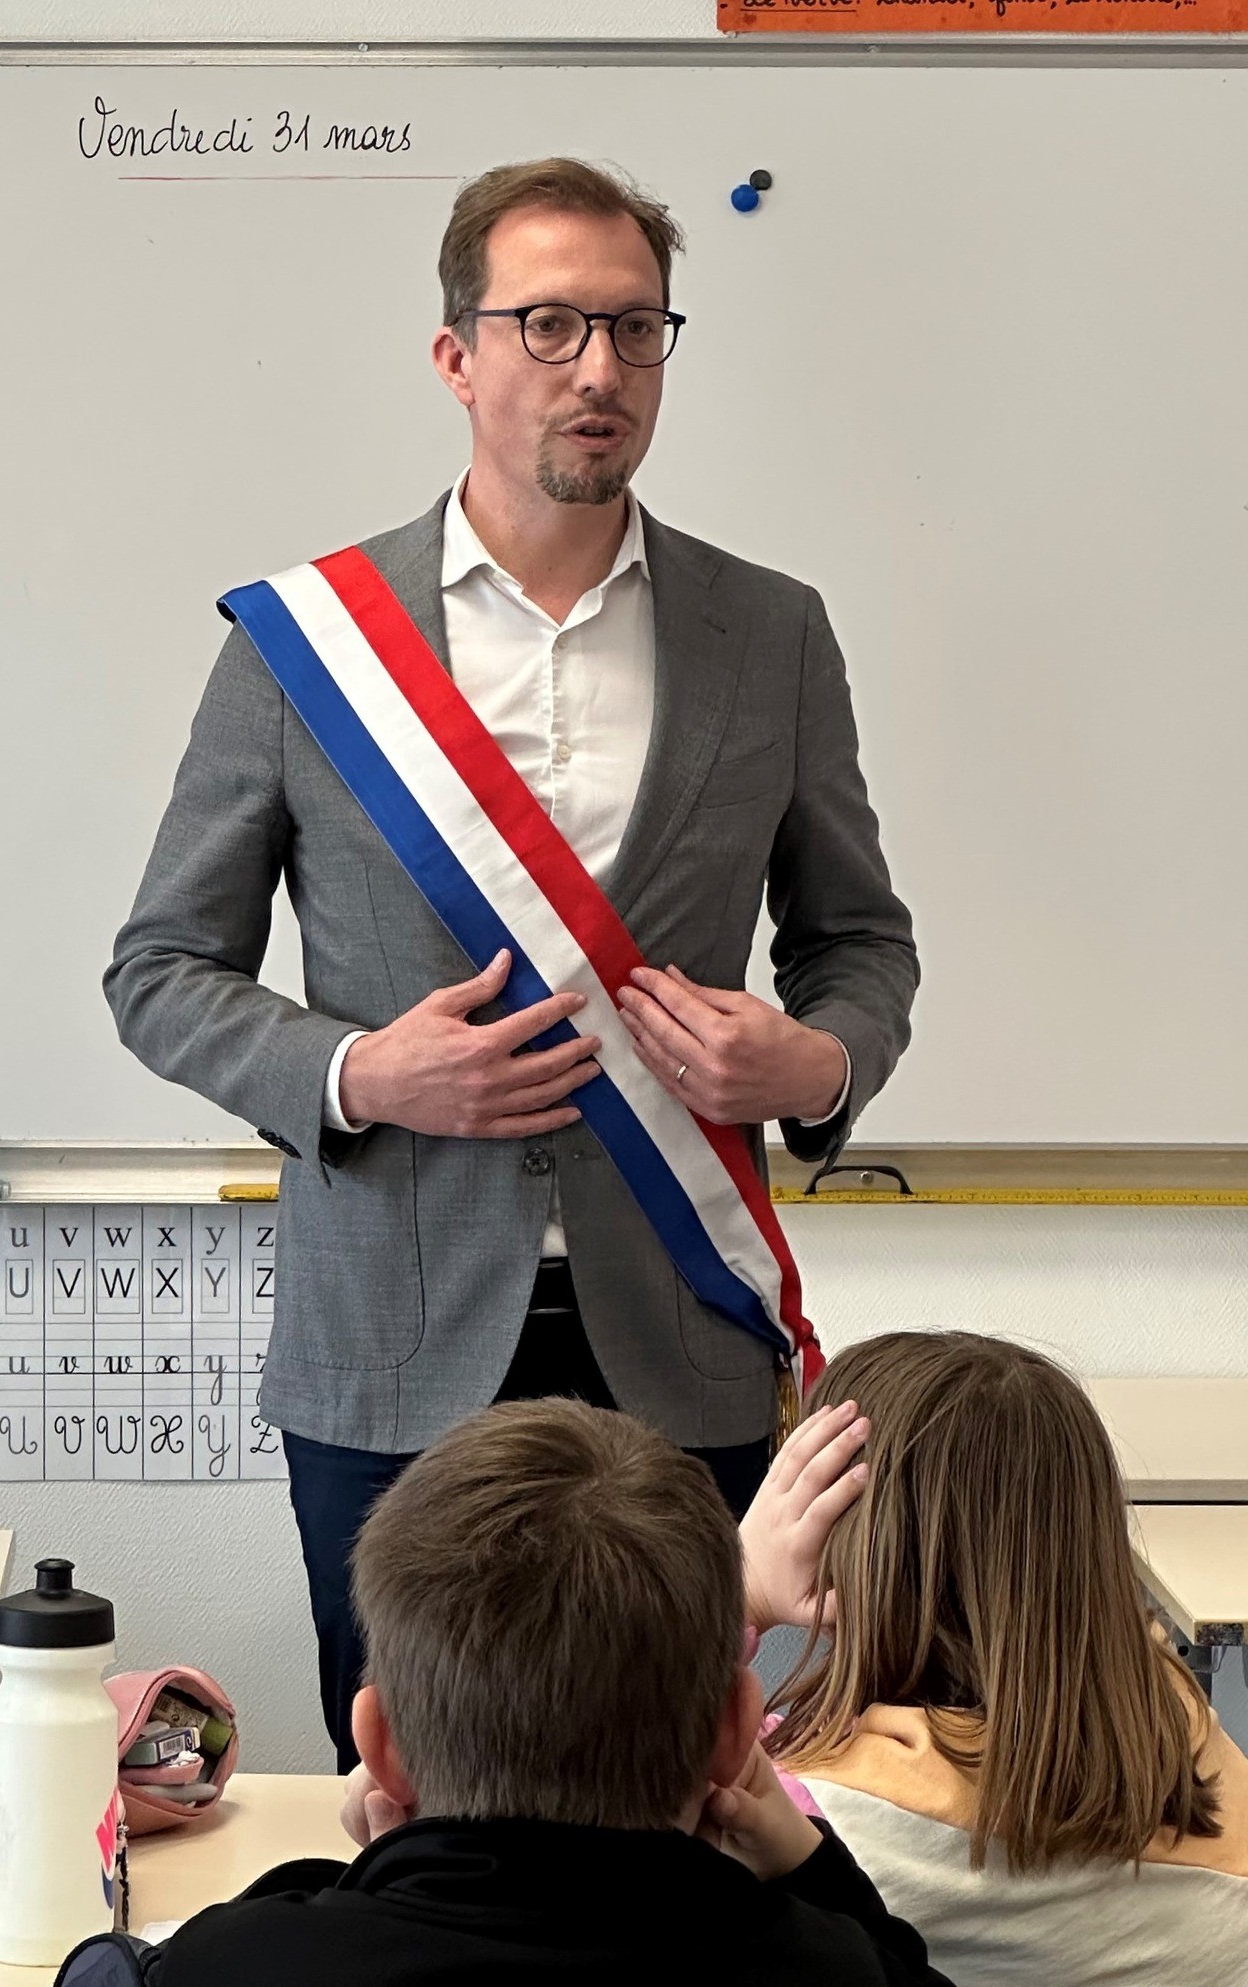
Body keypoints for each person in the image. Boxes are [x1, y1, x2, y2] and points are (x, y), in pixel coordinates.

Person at [105, 154, 917, 1768]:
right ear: (456, 355)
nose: (596, 370)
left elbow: (858, 942)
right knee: (401, 1781)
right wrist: (357, 1068)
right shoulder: (302, 643)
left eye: (633, 328)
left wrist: (811, 1063)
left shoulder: (774, 631)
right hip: (392, 1337)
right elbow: (161, 970)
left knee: (685, 1779)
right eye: (545, 325)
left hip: (680, 1319)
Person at [139, 1400, 989, 1987]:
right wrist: (811, 1870)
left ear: (381, 1748)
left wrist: (386, 1869)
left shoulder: (237, 1983)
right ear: (737, 1737)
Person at [741, 1332, 1248, 1987]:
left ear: (848, 1541)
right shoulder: (1162, 1702)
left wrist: (741, 1587)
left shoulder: (803, 1812)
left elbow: (620, 1817)